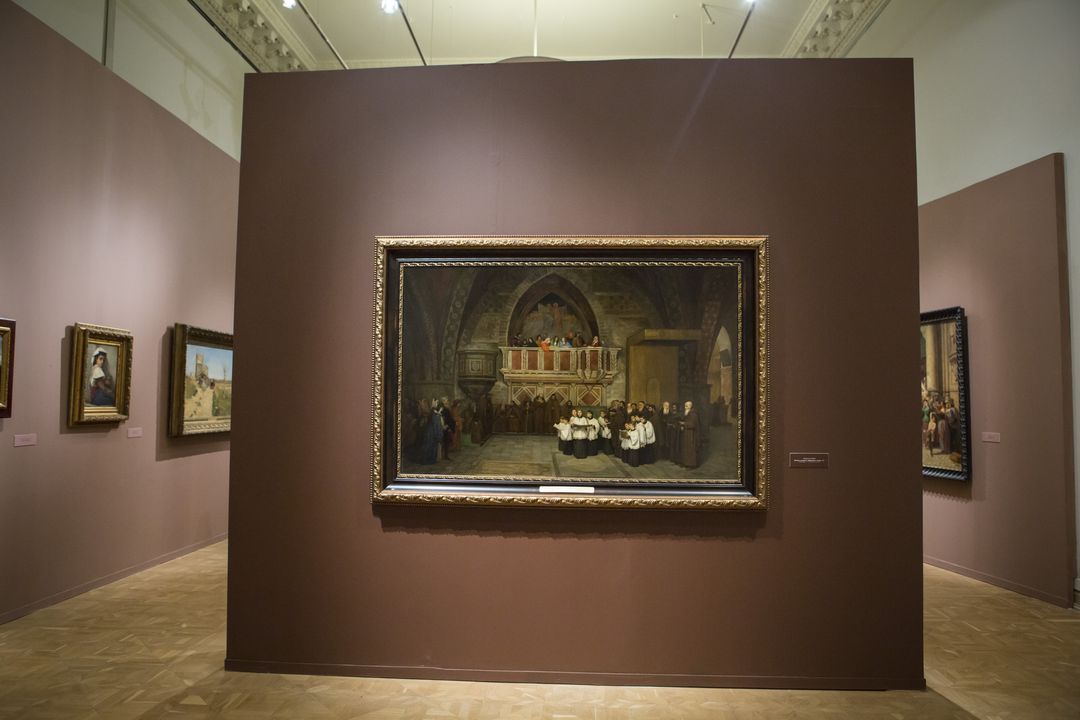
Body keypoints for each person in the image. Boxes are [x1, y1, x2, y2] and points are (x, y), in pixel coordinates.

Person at [679, 400, 700, 468]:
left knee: (690, 450)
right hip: (687, 434)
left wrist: (683, 423)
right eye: (685, 406)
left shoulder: (693, 414)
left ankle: (691, 465)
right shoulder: (688, 413)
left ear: (690, 406)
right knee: (686, 449)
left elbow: (692, 425)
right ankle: (686, 463)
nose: (685, 408)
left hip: (691, 435)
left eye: (686, 406)